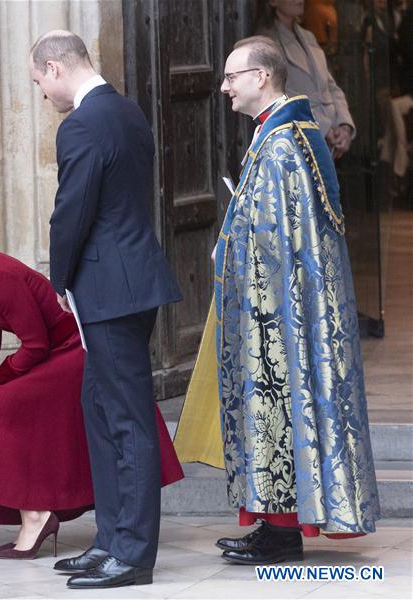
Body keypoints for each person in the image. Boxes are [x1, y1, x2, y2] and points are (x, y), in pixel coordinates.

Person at [0, 191, 183, 562]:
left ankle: (36, 514)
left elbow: (34, 346)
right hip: (56, 354)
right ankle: (35, 514)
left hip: (77, 353)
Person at [208, 35, 380, 564]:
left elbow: (277, 240)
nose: (224, 87)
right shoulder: (281, 132)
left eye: (232, 77)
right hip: (279, 302)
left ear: (261, 78)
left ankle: (281, 534)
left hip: (279, 307)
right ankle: (274, 525)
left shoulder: (283, 144)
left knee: (280, 405)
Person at [29, 31, 183, 589]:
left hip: (110, 288)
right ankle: (111, 540)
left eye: (40, 82)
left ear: (55, 67)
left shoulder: (83, 123)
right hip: (128, 282)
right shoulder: (127, 111)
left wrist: (60, 279)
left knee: (126, 419)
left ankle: (133, 554)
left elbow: (71, 211)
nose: (43, 94)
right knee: (100, 411)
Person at [256, 0, 355, 159]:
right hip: (300, 139)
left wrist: (344, 126)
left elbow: (331, 86)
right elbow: (281, 95)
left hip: (331, 139)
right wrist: (324, 128)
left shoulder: (308, 36)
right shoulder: (265, 41)